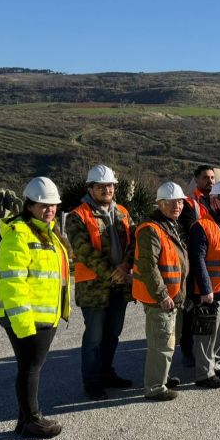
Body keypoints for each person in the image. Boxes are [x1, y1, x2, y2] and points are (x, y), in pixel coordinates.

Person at [0, 177, 70, 438]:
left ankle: (24, 420)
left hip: (45, 316)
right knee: (30, 369)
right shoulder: (19, 234)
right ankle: (32, 420)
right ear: (29, 205)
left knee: (30, 367)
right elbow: (12, 283)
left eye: (53, 205)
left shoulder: (49, 232)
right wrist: (23, 323)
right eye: (43, 205)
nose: (49, 209)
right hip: (28, 318)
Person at [66, 164, 135, 401]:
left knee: (112, 334)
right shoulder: (77, 216)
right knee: (94, 337)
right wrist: (113, 273)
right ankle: (92, 381)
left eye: (110, 186)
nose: (107, 190)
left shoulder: (123, 212)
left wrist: (125, 267)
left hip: (120, 286)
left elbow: (134, 242)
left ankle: (107, 373)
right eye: (101, 186)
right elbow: (84, 251)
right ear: (90, 188)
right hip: (94, 289)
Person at [133, 182, 189, 401]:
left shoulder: (170, 225)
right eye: (171, 202)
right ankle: (155, 387)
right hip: (161, 299)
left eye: (180, 202)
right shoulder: (151, 229)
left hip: (173, 297)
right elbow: (148, 266)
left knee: (169, 340)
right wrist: (162, 294)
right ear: (160, 204)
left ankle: (162, 377)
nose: (177, 206)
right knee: (161, 343)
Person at [187, 180, 220, 388]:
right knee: (206, 333)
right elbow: (197, 259)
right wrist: (206, 289)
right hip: (211, 290)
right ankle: (204, 374)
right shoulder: (202, 226)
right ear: (213, 200)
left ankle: (215, 364)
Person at [179, 164, 216, 368]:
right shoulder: (190, 204)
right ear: (196, 180)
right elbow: (192, 232)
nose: (209, 181)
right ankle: (188, 350)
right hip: (196, 263)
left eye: (212, 177)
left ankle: (209, 348)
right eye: (205, 177)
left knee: (210, 308)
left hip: (212, 263)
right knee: (192, 309)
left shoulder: (215, 201)